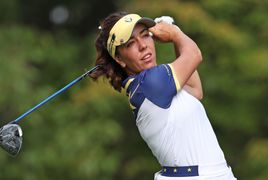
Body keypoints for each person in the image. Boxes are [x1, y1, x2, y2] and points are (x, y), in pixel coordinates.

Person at [90, 11, 237, 180]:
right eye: (130, 43)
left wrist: (175, 33)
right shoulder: (150, 83)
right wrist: (174, 34)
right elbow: (194, 54)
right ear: (119, 59)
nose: (142, 45)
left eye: (145, 36)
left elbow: (195, 90)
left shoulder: (150, 84)